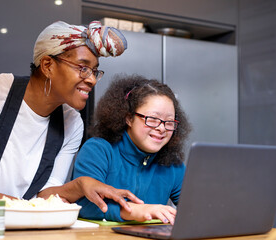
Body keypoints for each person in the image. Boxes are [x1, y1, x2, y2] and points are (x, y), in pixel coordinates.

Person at [0, 20, 143, 213]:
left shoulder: (72, 123)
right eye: (83, 67)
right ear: (47, 65)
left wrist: (80, 185)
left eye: (95, 71)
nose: (92, 79)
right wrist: (22, 207)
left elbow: (46, 196)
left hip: (21, 229)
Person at [73, 74, 192, 224]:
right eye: (153, 119)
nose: (162, 128)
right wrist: (134, 210)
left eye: (169, 122)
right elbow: (84, 205)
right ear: (129, 118)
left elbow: (195, 208)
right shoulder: (98, 150)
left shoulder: (172, 164)